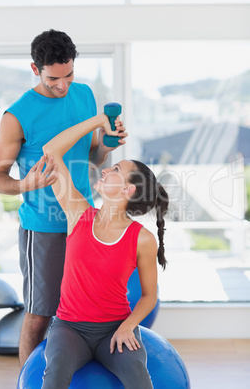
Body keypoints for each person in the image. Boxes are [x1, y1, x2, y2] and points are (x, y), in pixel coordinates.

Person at [0, 29, 127, 367]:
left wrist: (109, 143)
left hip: (84, 220)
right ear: (35, 69)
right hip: (43, 227)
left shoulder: (84, 95)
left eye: (69, 75)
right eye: (53, 78)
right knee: (39, 314)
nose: (63, 85)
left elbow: (92, 158)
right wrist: (24, 185)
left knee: (84, 310)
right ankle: (26, 381)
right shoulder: (17, 115)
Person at [40, 113, 169, 389]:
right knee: (55, 375)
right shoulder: (78, 213)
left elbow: (149, 296)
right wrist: (99, 121)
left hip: (115, 327)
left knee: (139, 378)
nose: (106, 170)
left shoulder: (142, 239)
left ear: (127, 189)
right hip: (70, 327)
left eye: (116, 171)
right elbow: (51, 151)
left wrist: (128, 326)